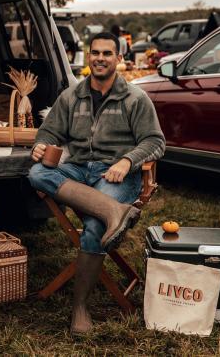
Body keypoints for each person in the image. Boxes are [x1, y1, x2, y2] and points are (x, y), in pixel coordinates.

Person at [27, 32, 165, 334]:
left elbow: (156, 141)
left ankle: (80, 308)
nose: (100, 58)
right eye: (95, 53)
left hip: (113, 174)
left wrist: (127, 161)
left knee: (94, 228)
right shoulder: (71, 96)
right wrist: (42, 145)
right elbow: (48, 133)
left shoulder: (134, 98)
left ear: (118, 59)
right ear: (89, 58)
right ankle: (113, 211)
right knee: (37, 173)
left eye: (107, 53)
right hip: (78, 169)